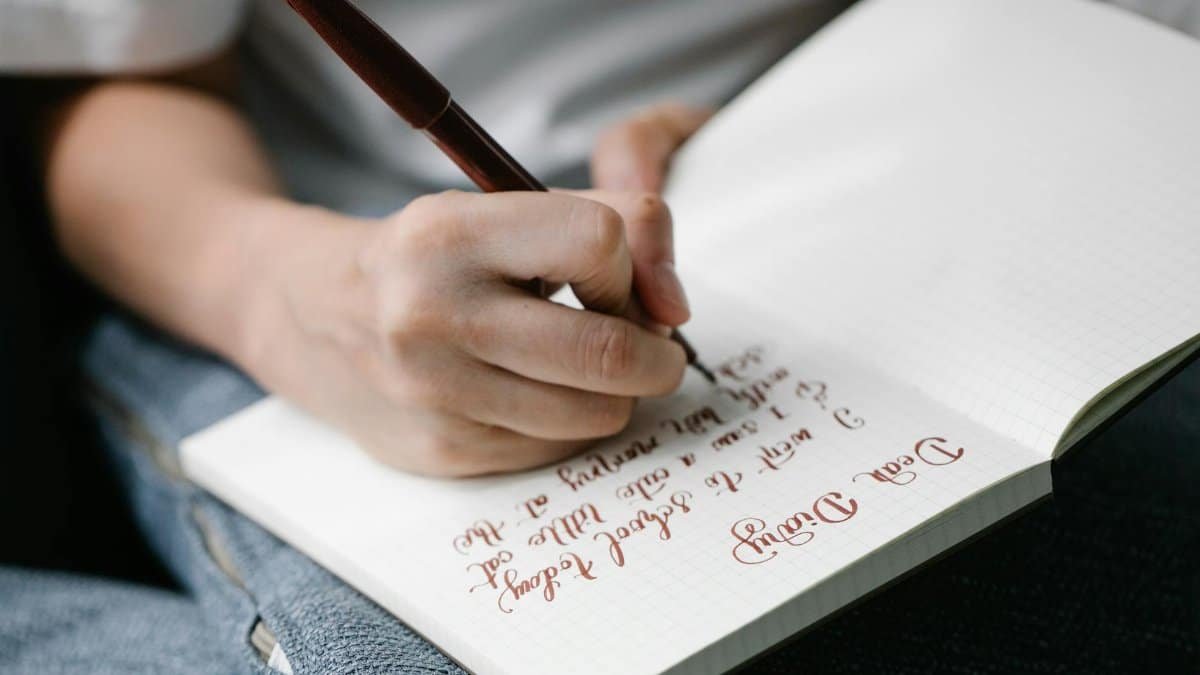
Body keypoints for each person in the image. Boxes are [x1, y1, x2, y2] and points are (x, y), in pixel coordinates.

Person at [1, 1, 1197, 673]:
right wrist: (289, 291)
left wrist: (842, 95)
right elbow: (112, 85)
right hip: (364, 269)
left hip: (911, 148)